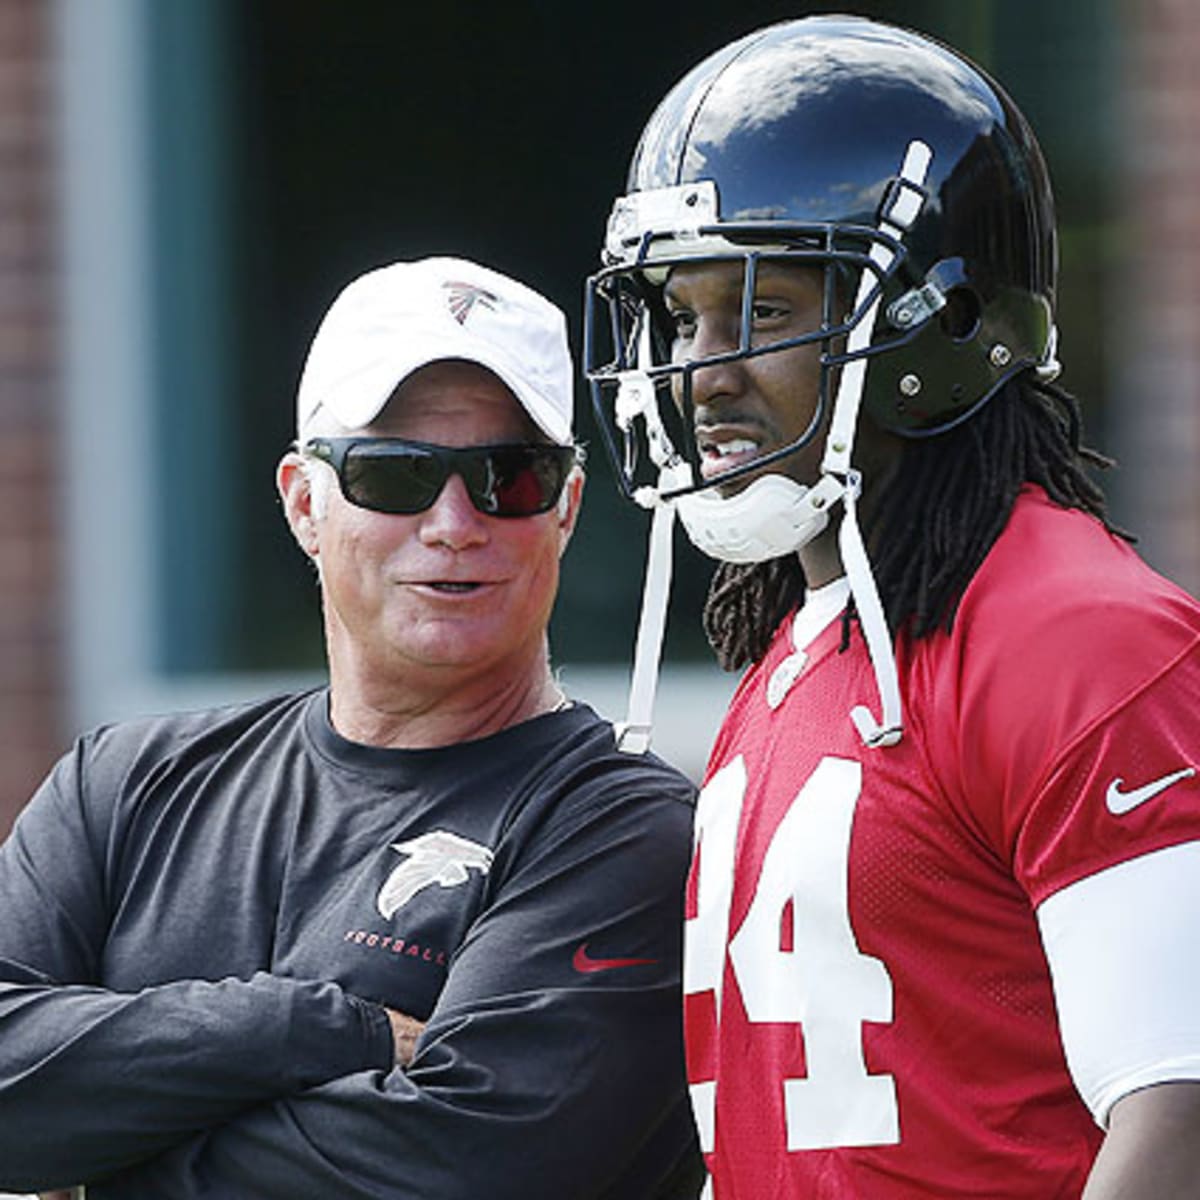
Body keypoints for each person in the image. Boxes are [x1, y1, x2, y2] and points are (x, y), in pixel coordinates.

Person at [584, 14, 1200, 1199]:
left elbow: (1179, 1113)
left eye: (761, 312)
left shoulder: (1079, 640)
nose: (701, 370)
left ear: (939, 319)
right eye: (681, 316)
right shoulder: (799, 651)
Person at [0, 256, 703, 1199]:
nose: (456, 522)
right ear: (303, 502)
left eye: (511, 477)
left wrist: (99, 1161)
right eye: (394, 474)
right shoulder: (124, 787)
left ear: (567, 507)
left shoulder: (626, 829)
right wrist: (321, 1029)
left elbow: (460, 1174)